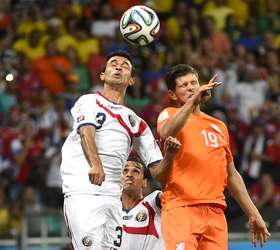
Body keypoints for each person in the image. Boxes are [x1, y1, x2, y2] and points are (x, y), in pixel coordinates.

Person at [60, 51, 170, 250]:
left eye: (125, 65)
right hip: (84, 191)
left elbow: (157, 170)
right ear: (102, 75)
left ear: (132, 80)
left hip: (114, 198)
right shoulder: (89, 101)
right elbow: (87, 132)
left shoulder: (137, 123)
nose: (118, 67)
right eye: (113, 64)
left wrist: (170, 157)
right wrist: (95, 164)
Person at [156, 64, 270, 250]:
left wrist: (254, 214)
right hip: (182, 208)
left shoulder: (218, 126)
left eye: (194, 82)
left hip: (215, 211)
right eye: (184, 85)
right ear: (172, 94)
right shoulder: (169, 114)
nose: (191, 87)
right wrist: (192, 102)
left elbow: (231, 175)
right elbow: (167, 131)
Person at [121, 137, 181, 250]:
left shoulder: (153, 202)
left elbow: (172, 191)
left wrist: (169, 157)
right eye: (125, 170)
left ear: (144, 182)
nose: (129, 174)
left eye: (136, 171)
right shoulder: (112, 210)